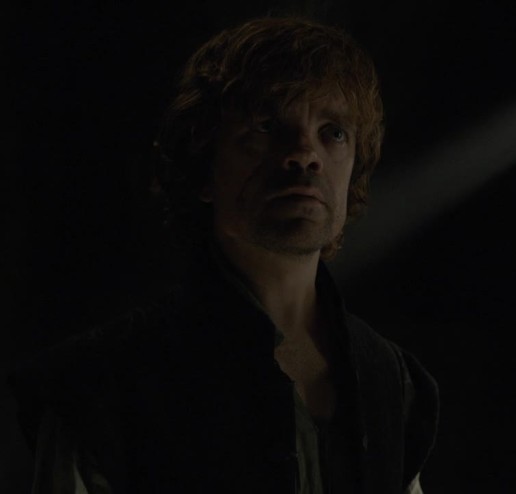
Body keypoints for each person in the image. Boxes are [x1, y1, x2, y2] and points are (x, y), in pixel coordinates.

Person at [10, 16, 439, 494]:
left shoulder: (390, 380)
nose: (305, 154)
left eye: (333, 132)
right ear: (203, 167)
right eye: (266, 126)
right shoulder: (103, 385)